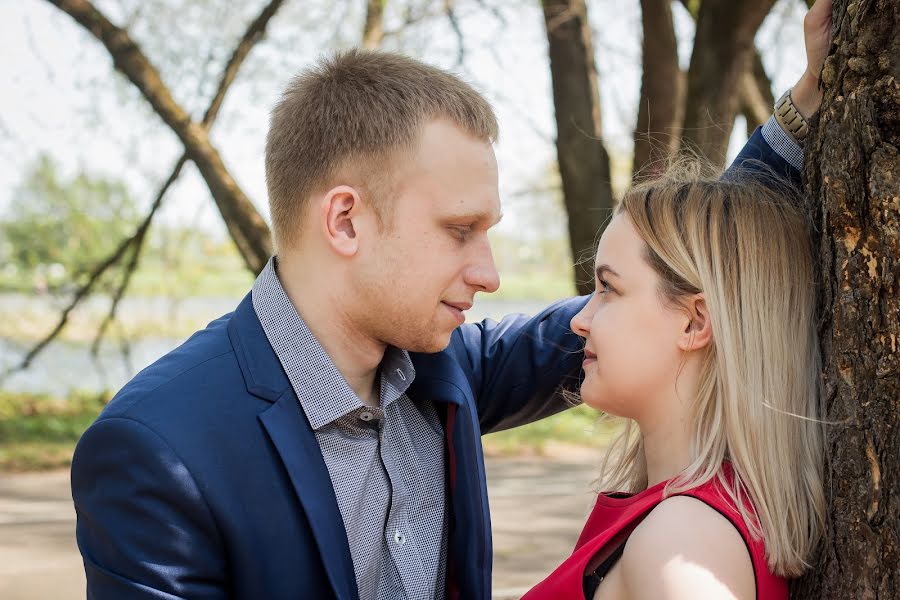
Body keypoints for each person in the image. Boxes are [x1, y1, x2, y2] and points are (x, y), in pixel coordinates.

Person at [70, 16, 827, 598]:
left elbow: (688, 278)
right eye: (460, 230)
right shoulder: (159, 450)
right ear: (345, 221)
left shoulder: (446, 366)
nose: (491, 272)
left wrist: (798, 115)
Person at [523, 2, 833, 597]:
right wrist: (804, 106)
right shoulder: (699, 514)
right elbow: (716, 253)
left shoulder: (683, 546)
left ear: (696, 321)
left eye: (607, 289)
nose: (580, 321)